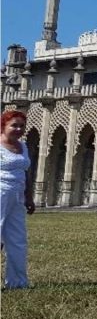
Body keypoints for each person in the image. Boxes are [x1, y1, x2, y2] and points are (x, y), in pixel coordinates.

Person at [1, 110, 34, 289]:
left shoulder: (23, 147)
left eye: (21, 125)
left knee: (17, 238)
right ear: (4, 126)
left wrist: (29, 196)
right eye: (14, 125)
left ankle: (17, 282)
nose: (18, 129)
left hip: (17, 195)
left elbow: (26, 172)